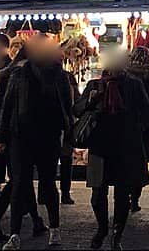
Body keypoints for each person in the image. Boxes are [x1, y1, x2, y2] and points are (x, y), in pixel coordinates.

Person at [0, 35, 73, 251]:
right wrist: (2, 137)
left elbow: (66, 107)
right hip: (22, 135)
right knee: (20, 183)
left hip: (47, 136)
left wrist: (69, 136)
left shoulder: (58, 75)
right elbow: (8, 105)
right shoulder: (20, 74)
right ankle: (15, 233)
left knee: (47, 183)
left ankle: (54, 229)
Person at [78, 50, 149, 250]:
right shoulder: (95, 85)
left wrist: (134, 130)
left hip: (125, 148)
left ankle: (117, 234)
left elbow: (147, 112)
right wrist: (91, 101)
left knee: (122, 194)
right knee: (97, 194)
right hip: (100, 146)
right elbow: (77, 109)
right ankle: (102, 229)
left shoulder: (134, 84)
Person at [0, 44, 47, 241]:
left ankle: (35, 220)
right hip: (18, 133)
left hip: (9, 133)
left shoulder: (5, 72)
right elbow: (9, 107)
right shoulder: (20, 75)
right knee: (19, 179)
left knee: (21, 178)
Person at [125, 46, 149, 212]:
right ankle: (135, 198)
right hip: (147, 128)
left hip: (127, 127)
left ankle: (125, 194)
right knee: (141, 163)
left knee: (127, 162)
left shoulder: (125, 76)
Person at [58, 69, 80, 205]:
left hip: (55, 126)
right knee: (65, 160)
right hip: (66, 125)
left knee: (49, 161)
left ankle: (45, 193)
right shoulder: (68, 77)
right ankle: (65, 193)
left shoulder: (41, 74)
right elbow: (77, 101)